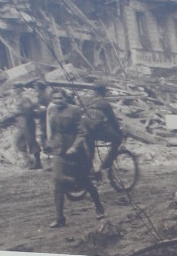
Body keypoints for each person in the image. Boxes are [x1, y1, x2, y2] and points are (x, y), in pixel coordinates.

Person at [47, 88, 104, 228]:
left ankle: (99, 207)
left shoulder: (75, 110)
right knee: (57, 182)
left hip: (76, 152)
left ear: (65, 98)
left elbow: (82, 132)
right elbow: (51, 130)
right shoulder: (52, 111)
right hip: (59, 151)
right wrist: (48, 144)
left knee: (84, 182)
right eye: (54, 99)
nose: (57, 101)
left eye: (60, 98)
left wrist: (74, 146)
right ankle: (59, 218)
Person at [83, 82, 123, 174]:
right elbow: (112, 120)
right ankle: (105, 166)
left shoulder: (88, 102)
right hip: (98, 131)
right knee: (117, 140)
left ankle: (88, 173)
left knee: (90, 152)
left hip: (87, 130)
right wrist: (119, 131)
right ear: (104, 92)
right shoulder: (104, 103)